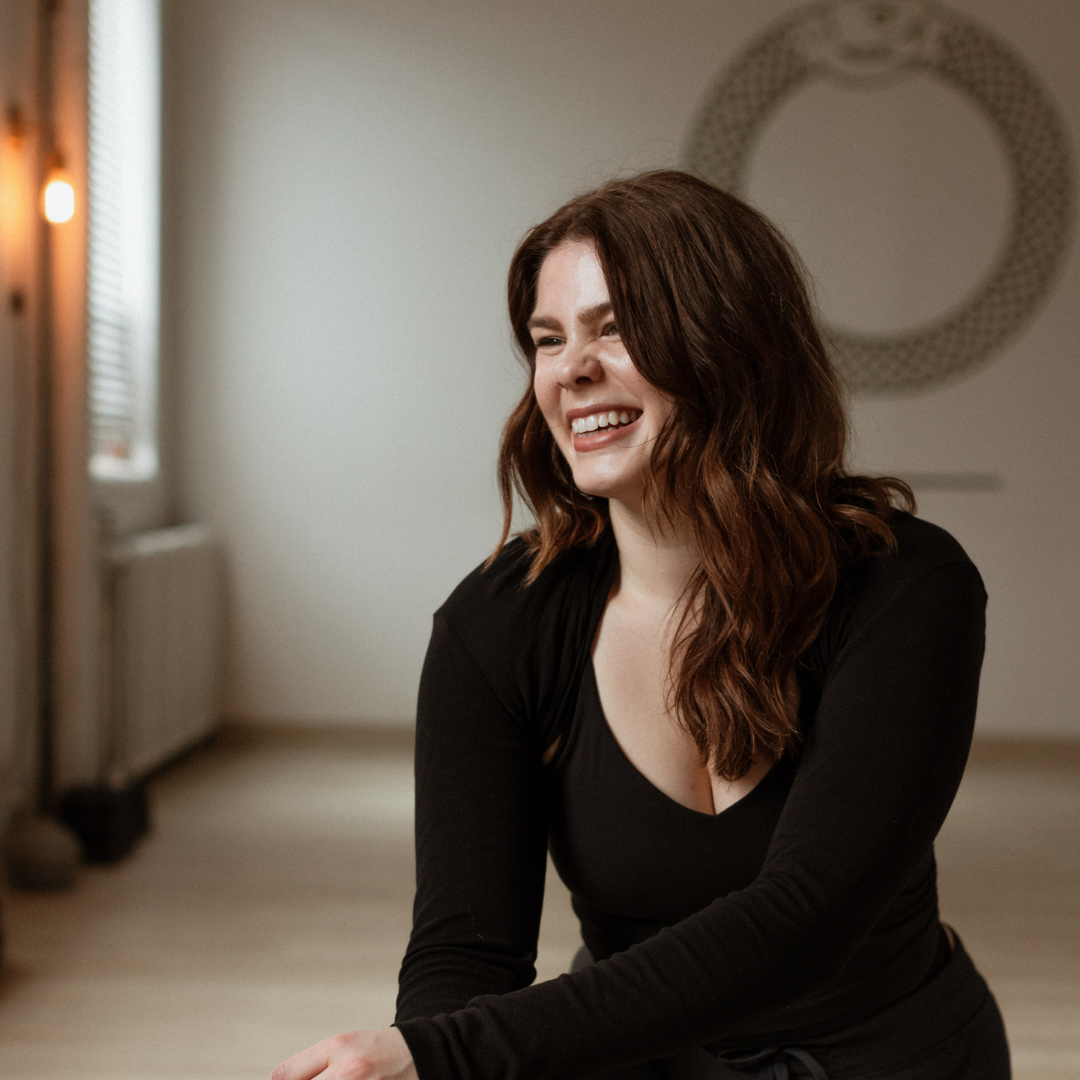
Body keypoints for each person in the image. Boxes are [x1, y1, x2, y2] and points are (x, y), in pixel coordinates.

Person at [270, 171, 1010, 1080]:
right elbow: (466, 953)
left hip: (900, 1060)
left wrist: (447, 1055)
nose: (570, 368)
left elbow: (804, 921)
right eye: (548, 340)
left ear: (726, 341)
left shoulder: (905, 586)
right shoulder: (498, 624)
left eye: (613, 327)